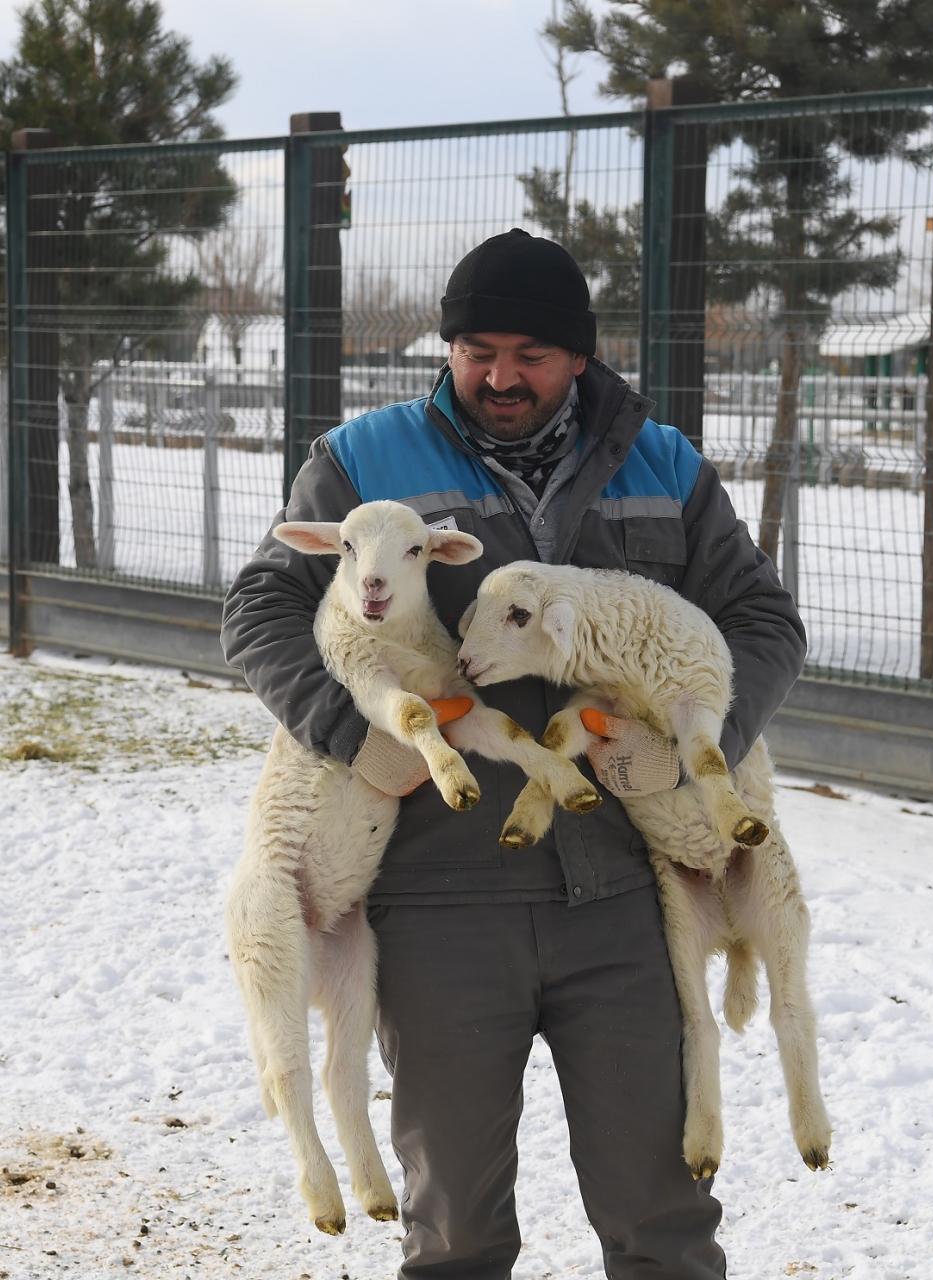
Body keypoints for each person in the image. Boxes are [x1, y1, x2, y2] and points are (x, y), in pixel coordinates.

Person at [221, 228, 806, 1279]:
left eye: (531, 353)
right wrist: (355, 739)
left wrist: (695, 742)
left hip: (625, 893)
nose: (499, 374)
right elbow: (260, 606)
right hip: (441, 896)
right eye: (475, 347)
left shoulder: (662, 463)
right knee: (458, 1234)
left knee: (663, 1219)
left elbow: (762, 620)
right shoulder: (362, 460)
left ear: (579, 356)